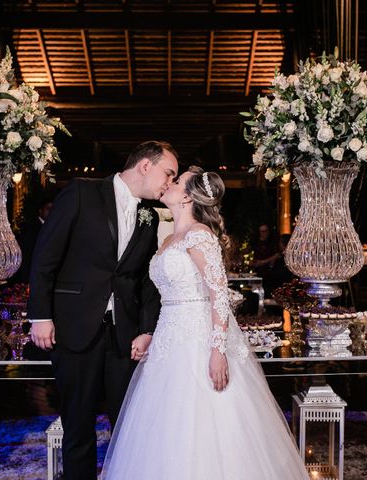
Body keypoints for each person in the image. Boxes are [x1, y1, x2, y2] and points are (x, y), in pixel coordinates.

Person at [100, 166, 309, 479]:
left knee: (207, 421)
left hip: (199, 340)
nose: (169, 183)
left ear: (186, 197)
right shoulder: (171, 238)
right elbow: (170, 296)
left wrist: (217, 350)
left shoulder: (199, 235)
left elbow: (218, 294)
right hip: (170, 339)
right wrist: (153, 334)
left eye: (177, 180)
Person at [28, 140, 179, 480]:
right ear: (145, 165)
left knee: (127, 426)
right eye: (168, 173)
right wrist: (40, 315)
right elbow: (45, 256)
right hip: (74, 327)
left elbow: (144, 278)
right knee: (78, 427)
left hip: (122, 336)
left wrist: (146, 328)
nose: (169, 182)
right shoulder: (82, 193)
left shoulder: (149, 217)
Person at [15, 197, 54, 283]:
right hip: (32, 275)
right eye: (48, 209)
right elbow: (27, 254)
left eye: (53, 209)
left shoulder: (54, 227)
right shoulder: (32, 228)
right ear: (41, 211)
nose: (51, 212)